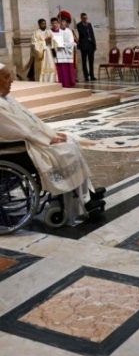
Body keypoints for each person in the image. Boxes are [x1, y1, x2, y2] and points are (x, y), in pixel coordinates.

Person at [0, 63, 105, 224]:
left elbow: (32, 121)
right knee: (65, 150)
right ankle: (81, 203)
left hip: (28, 141)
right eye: (7, 77)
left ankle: (87, 193)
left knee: (70, 141)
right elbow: (19, 130)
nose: (12, 80)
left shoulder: (7, 99)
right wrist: (47, 139)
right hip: (17, 149)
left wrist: (51, 134)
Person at [52, 14, 77, 87]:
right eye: (61, 22)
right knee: (60, 69)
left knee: (67, 69)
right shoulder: (57, 31)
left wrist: (63, 45)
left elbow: (71, 42)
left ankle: (69, 82)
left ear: (66, 23)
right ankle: (61, 83)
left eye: (63, 22)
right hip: (59, 53)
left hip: (67, 53)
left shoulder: (69, 31)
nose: (62, 23)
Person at [76, 13, 97, 81]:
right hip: (84, 45)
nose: (85, 19)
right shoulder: (79, 25)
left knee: (91, 61)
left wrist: (94, 45)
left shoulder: (89, 24)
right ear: (81, 18)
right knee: (84, 61)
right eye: (84, 18)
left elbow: (92, 34)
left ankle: (92, 75)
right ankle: (86, 76)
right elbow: (82, 34)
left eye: (86, 18)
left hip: (90, 45)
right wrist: (85, 26)